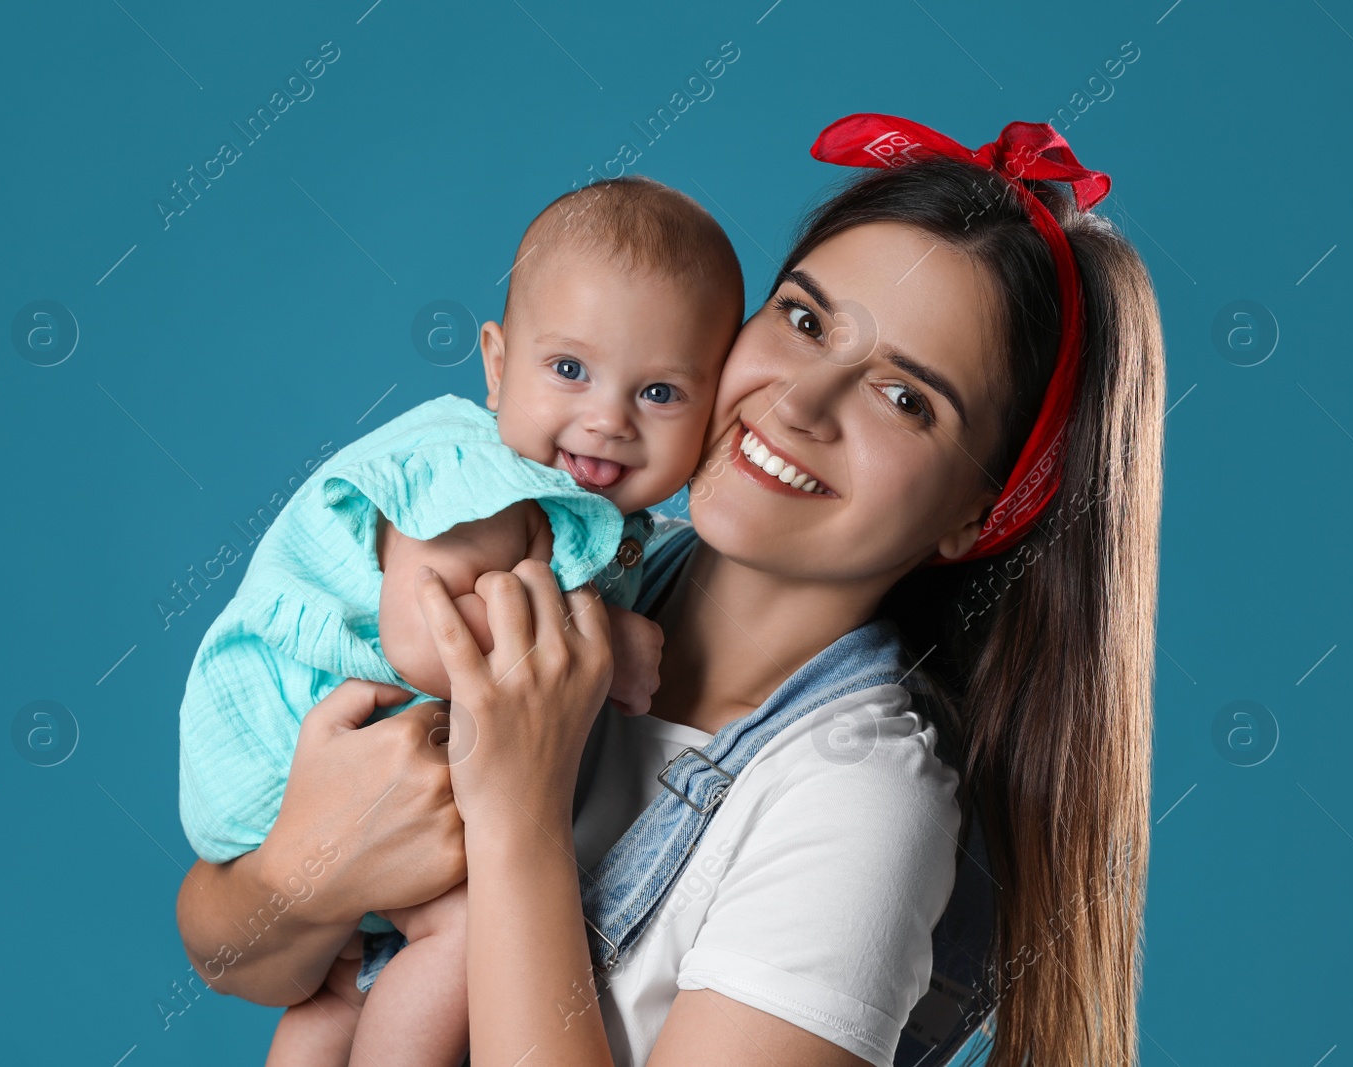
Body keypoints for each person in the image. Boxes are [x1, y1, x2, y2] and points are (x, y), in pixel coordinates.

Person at [175, 113, 1165, 1067]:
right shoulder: (573, 574)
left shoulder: (858, 807)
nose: (799, 400)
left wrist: (517, 816)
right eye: (805, 318)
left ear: (975, 514)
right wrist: (302, 874)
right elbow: (229, 950)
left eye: (905, 398)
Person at [175, 176, 745, 1067]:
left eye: (661, 393)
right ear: (495, 361)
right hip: (305, 751)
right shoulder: (481, 484)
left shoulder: (602, 521)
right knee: (461, 934)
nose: (606, 419)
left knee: (341, 988)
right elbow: (419, 636)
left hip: (363, 791)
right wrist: (603, 639)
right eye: (570, 370)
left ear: (715, 409)